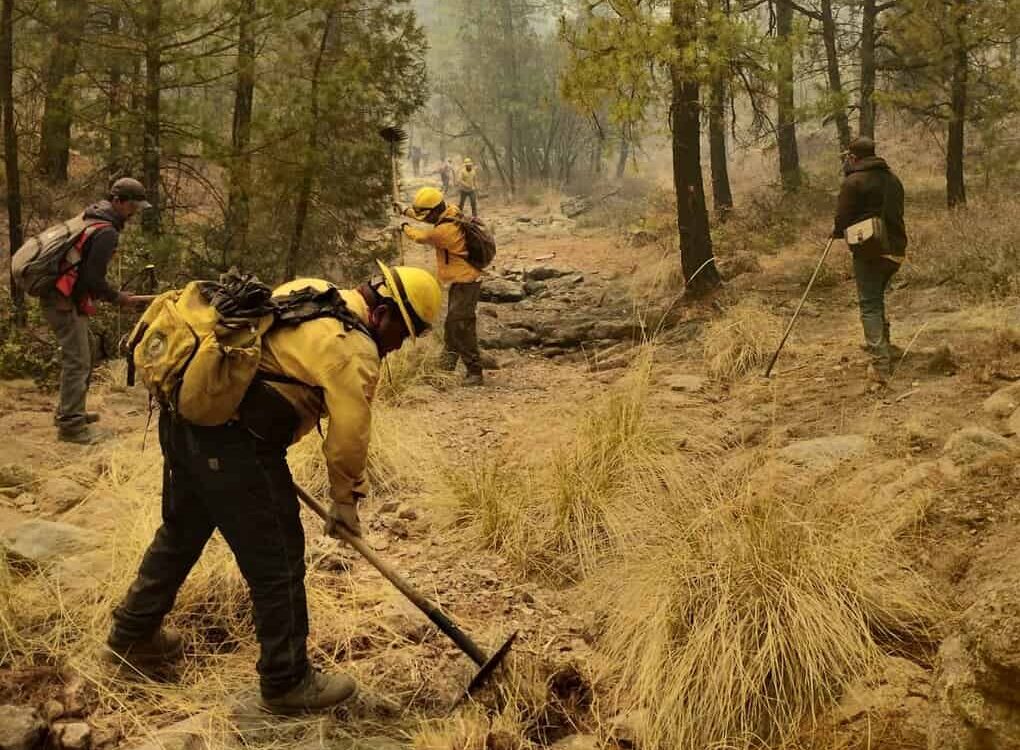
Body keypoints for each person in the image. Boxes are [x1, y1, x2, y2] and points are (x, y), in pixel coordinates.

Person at [106, 263, 443, 715]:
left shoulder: (315, 289)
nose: (400, 345)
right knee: (279, 559)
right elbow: (349, 436)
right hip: (236, 445)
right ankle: (286, 681)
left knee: (181, 532)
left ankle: (132, 636)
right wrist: (345, 503)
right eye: (404, 331)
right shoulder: (354, 348)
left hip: (184, 422)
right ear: (383, 312)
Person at [44, 177, 151, 444]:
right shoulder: (106, 231)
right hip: (61, 300)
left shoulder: (92, 216)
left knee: (85, 350)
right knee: (78, 360)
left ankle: (71, 412)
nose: (134, 211)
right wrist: (118, 298)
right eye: (132, 205)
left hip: (63, 296)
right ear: (117, 201)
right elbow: (93, 278)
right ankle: (71, 427)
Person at [832, 136, 908, 384]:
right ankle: (886, 348)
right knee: (877, 298)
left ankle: (880, 366)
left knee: (869, 305)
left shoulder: (853, 181)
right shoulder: (893, 180)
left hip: (870, 250)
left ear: (853, 157)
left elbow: (841, 220)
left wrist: (836, 232)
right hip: (896, 250)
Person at [401, 186, 484, 386]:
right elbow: (424, 217)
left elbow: (421, 237)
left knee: (461, 326)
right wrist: (405, 210)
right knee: (453, 325)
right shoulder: (451, 211)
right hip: (462, 281)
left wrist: (404, 227)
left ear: (435, 211)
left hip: (466, 282)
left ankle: (475, 372)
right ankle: (445, 367)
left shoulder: (444, 231)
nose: (425, 218)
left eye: (427, 214)